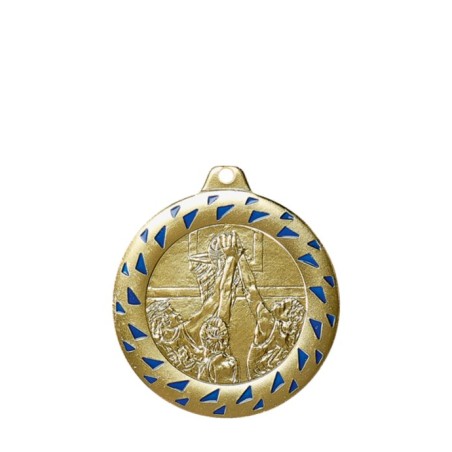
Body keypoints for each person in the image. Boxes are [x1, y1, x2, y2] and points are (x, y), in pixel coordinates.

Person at [147, 232, 240, 383]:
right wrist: (229, 260)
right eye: (171, 312)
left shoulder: (164, 344)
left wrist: (225, 265)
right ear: (161, 322)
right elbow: (217, 299)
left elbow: (215, 300)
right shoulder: (183, 333)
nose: (177, 315)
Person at [238, 253, 305, 379]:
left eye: (283, 307)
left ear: (287, 322)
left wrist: (239, 256)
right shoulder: (291, 346)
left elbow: (250, 289)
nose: (278, 303)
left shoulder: (269, 326)